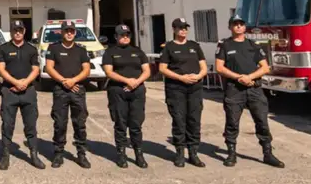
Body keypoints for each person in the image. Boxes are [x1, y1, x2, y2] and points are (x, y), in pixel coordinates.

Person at [215, 14, 284, 168]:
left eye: (241, 24)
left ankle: (268, 154)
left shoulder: (253, 45)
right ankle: (231, 154)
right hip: (234, 90)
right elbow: (220, 67)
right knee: (232, 123)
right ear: (230, 27)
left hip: (254, 88)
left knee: (262, 122)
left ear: (245, 27)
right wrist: (239, 77)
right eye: (235, 24)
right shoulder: (225, 45)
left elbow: (265, 67)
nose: (238, 26)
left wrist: (249, 77)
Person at [158, 17, 207, 168]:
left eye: (185, 27)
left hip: (194, 89)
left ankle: (193, 153)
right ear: (174, 30)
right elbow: (163, 69)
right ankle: (180, 153)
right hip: (176, 89)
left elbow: (203, 67)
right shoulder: (169, 47)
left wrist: (198, 76)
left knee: (194, 120)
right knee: (179, 121)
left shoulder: (194, 46)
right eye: (180, 28)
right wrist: (181, 78)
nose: (183, 30)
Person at [0, 20, 45, 170]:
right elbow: (1, 69)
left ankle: (34, 155)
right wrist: (16, 82)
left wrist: (25, 82)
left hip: (28, 92)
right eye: (15, 30)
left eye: (20, 30)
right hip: (9, 91)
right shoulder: (3, 48)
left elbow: (35, 69)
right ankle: (5, 156)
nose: (17, 32)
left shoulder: (31, 49)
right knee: (7, 125)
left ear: (24, 31)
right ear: (11, 32)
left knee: (31, 126)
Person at [102, 24, 151, 169]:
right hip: (118, 91)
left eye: (127, 35)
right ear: (116, 37)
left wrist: (136, 82)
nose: (125, 37)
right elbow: (109, 72)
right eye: (122, 35)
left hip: (137, 91)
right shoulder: (110, 52)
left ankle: (139, 154)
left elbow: (147, 70)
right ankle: (121, 154)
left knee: (136, 124)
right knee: (120, 124)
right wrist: (127, 81)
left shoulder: (138, 52)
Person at [44, 20, 92, 169]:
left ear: (75, 32)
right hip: (60, 90)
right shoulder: (54, 48)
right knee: (59, 123)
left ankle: (81, 154)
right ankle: (58, 153)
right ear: (62, 32)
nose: (69, 33)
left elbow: (86, 70)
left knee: (80, 123)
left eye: (72, 31)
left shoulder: (81, 50)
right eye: (67, 31)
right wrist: (63, 81)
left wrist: (73, 81)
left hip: (78, 89)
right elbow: (49, 68)